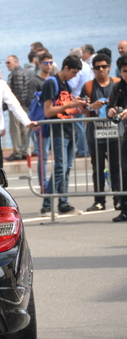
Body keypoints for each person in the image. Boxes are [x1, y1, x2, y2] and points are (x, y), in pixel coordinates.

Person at [39, 55, 87, 216]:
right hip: (58, 130)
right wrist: (71, 104)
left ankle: (63, 203)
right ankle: (46, 204)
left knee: (66, 168)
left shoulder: (66, 83)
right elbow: (48, 111)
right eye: (73, 72)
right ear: (66, 68)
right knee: (60, 167)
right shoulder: (51, 83)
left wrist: (81, 105)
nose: (75, 76)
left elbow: (67, 108)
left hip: (69, 128)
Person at [83, 54, 121, 212]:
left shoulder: (117, 83)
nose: (101, 70)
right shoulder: (89, 86)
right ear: (93, 69)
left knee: (116, 167)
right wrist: (93, 106)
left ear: (109, 67)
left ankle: (119, 199)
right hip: (95, 132)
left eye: (104, 66)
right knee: (97, 168)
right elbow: (82, 106)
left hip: (115, 131)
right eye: (97, 67)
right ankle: (99, 201)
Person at [26, 52, 55, 189]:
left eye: (51, 62)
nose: (49, 65)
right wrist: (33, 121)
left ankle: (53, 183)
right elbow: (30, 102)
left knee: (53, 156)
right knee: (42, 155)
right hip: (40, 123)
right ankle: (43, 184)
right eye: (46, 63)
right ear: (39, 64)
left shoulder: (53, 80)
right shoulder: (35, 81)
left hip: (53, 121)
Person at [107, 55, 127, 222]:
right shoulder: (118, 87)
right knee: (125, 171)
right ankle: (125, 209)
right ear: (120, 72)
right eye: (125, 71)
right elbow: (109, 107)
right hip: (125, 134)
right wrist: (111, 111)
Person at [68, 48, 94, 158]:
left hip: (76, 97)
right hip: (86, 95)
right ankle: (85, 148)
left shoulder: (78, 68)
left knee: (79, 125)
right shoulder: (87, 66)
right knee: (83, 124)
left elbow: (72, 84)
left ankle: (83, 150)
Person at [4, 55, 30, 161]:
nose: (7, 65)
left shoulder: (17, 73)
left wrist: (12, 105)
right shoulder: (21, 72)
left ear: (16, 62)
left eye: (8, 62)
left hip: (18, 106)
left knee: (15, 129)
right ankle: (24, 151)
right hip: (23, 105)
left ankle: (18, 152)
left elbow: (18, 92)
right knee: (23, 129)